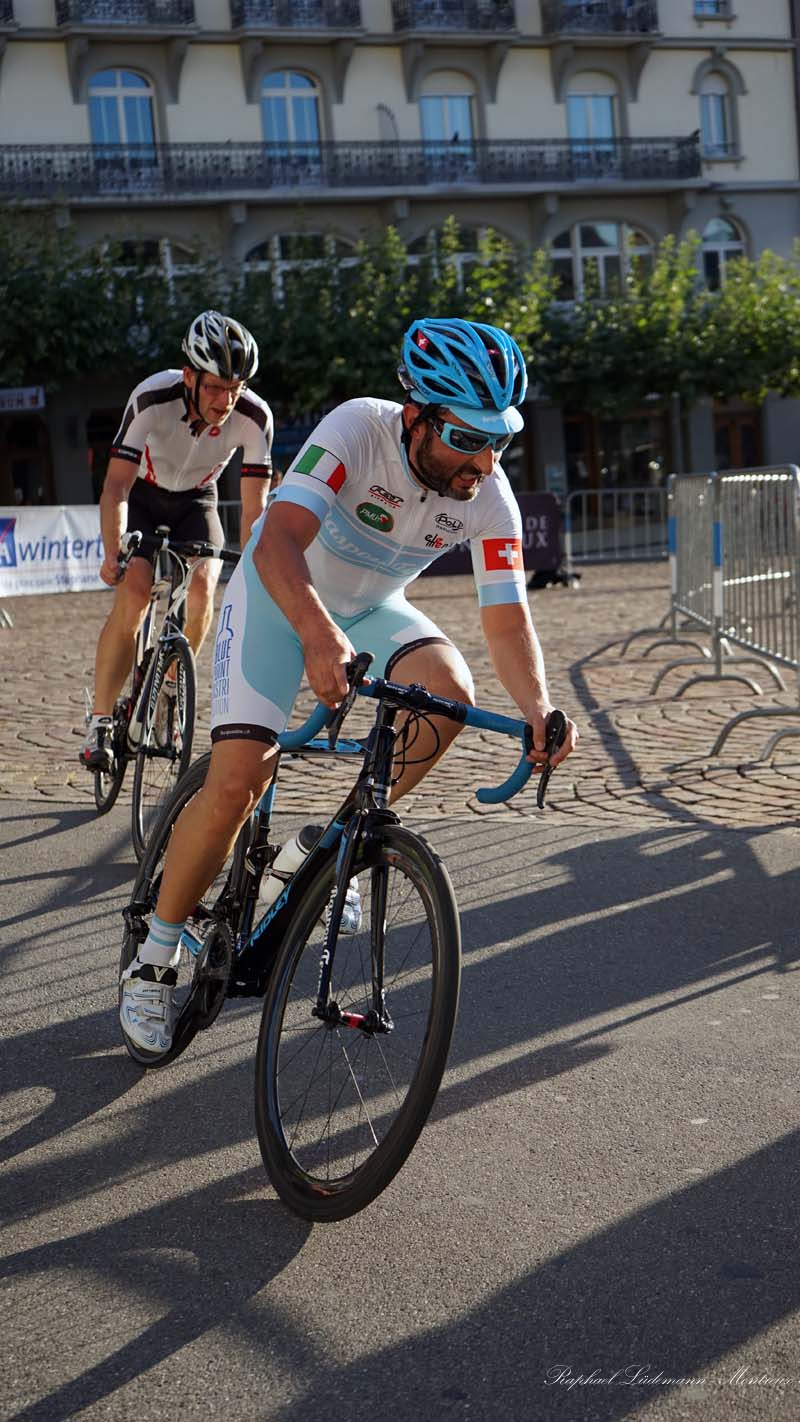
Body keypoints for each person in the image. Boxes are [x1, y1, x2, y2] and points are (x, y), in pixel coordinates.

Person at [119, 316, 578, 1054]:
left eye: (500, 439)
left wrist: (538, 706)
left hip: (371, 609)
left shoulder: (490, 495)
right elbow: (277, 539)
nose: (485, 460)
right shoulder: (358, 429)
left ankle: (323, 847)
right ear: (417, 416)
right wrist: (315, 632)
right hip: (279, 596)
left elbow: (506, 615)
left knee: (448, 693)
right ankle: (155, 955)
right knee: (238, 780)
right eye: (467, 437)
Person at [80, 310, 274, 771]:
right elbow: (116, 486)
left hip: (197, 500)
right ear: (189, 376)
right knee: (134, 593)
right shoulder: (152, 397)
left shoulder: (254, 416)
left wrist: (256, 571)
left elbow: (253, 510)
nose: (225, 400)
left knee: (205, 588)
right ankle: (101, 721)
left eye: (235, 388)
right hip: (142, 495)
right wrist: (113, 551)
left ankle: (169, 690)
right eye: (215, 387)